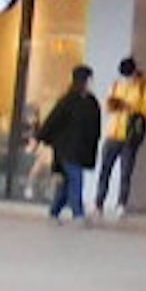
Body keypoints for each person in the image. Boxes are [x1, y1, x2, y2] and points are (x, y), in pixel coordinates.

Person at [36, 63, 105, 222]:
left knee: (66, 182)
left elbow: (95, 126)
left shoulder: (91, 102)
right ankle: (78, 213)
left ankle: (55, 210)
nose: (91, 83)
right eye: (89, 79)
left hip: (81, 149)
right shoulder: (68, 101)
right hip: (66, 148)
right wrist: (40, 138)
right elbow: (53, 121)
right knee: (75, 178)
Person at [94, 55, 146, 216]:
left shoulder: (145, 86)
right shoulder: (116, 84)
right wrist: (113, 105)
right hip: (113, 132)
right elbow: (109, 106)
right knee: (105, 169)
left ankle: (122, 203)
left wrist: (130, 107)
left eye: (128, 75)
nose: (126, 78)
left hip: (130, 135)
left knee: (126, 171)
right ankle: (98, 202)